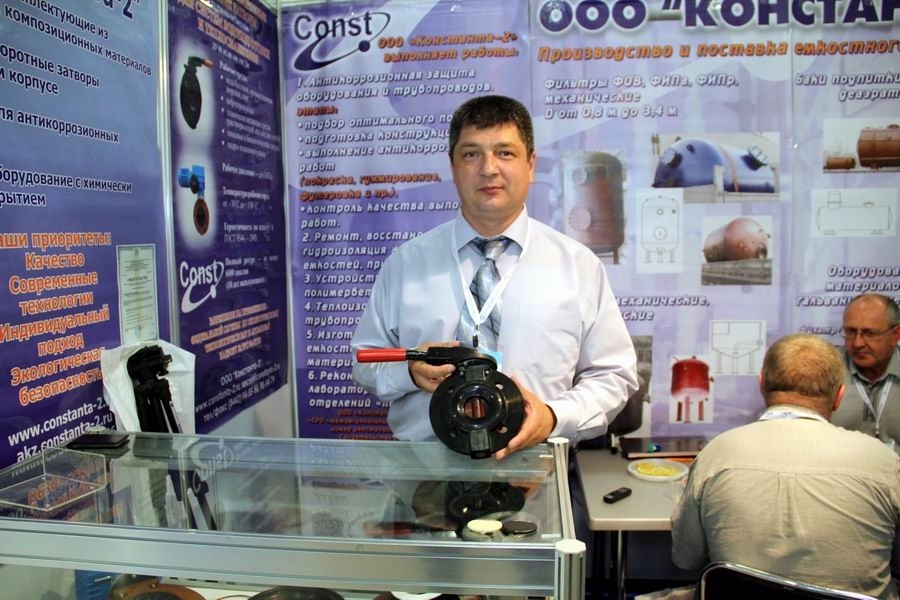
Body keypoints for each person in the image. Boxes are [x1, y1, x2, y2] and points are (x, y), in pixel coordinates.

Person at [350, 94, 638, 459]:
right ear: (453, 166)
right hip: (424, 472)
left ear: (530, 165)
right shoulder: (406, 265)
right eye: (472, 154)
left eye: (505, 153)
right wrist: (408, 372)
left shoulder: (578, 266)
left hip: (538, 470)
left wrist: (552, 417)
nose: (489, 168)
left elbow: (613, 376)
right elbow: (366, 362)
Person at [670, 333, 900, 598]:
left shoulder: (716, 455)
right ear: (839, 395)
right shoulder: (883, 462)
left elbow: (686, 557)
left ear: (762, 384)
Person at [831, 293, 900, 445]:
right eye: (850, 332)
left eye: (870, 333)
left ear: (895, 334)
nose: (857, 343)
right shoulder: (826, 370)